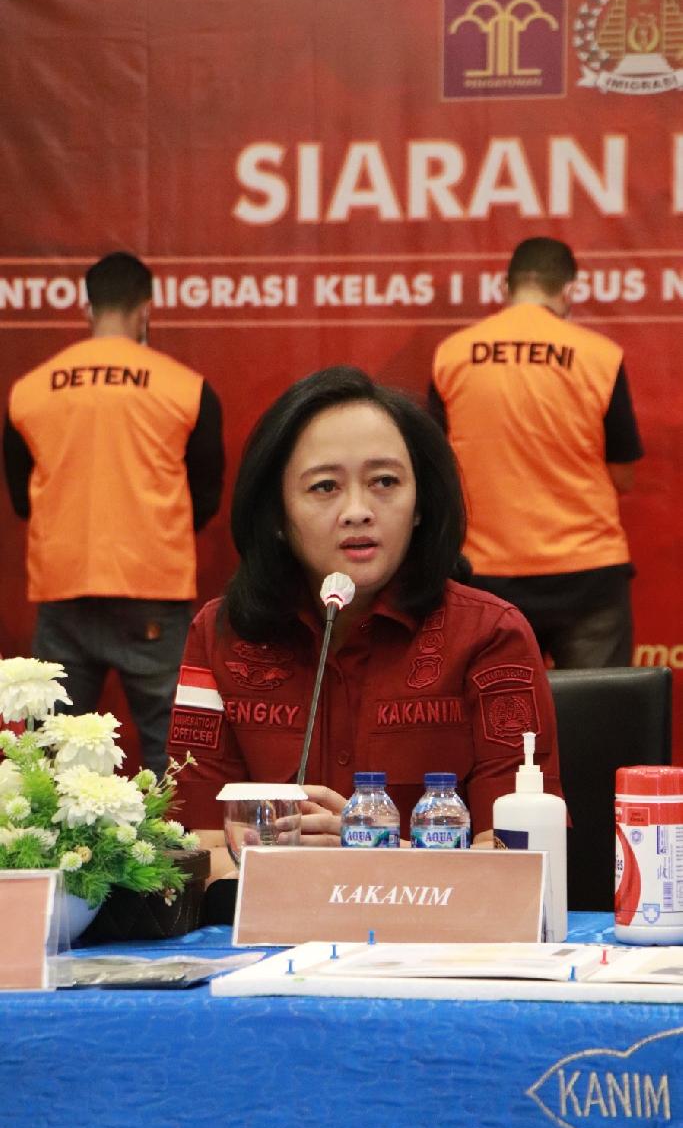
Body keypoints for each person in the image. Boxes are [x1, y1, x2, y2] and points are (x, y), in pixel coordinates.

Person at [167, 365, 561, 871]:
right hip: (275, 917)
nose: (357, 510)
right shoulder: (220, 636)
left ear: (420, 505)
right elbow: (195, 846)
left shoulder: (491, 635)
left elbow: (521, 859)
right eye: (324, 486)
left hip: (429, 922)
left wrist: (372, 856)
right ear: (277, 515)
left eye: (384, 482)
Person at [3, 251, 224, 777]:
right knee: (172, 753)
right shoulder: (185, 387)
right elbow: (205, 497)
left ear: (87, 308)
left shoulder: (30, 390)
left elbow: (20, 499)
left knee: (50, 757)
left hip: (64, 590)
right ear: (146, 309)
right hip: (153, 590)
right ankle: (173, 834)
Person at [431, 237, 643, 669]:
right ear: (569, 290)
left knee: (494, 708)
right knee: (598, 709)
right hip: (588, 574)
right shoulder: (599, 356)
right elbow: (623, 474)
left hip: (485, 576)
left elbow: (434, 467)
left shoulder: (452, 355)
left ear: (504, 288)